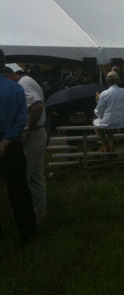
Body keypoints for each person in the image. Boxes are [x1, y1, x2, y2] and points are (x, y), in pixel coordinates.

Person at [0, 50, 37, 243]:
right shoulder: (15, 88)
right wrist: (6, 141)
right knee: (19, 189)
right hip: (12, 143)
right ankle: (28, 233)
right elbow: (22, 117)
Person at [5, 66, 48, 224]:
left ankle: (36, 215)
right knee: (34, 175)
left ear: (9, 75)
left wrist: (29, 131)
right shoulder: (26, 81)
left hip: (33, 134)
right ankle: (35, 213)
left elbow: (37, 106)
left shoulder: (22, 84)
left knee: (31, 176)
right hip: (35, 132)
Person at [93, 71, 124, 154]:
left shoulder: (104, 94)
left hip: (109, 121)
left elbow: (99, 111)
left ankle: (105, 146)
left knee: (96, 125)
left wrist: (96, 112)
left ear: (107, 81)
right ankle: (111, 146)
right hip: (123, 120)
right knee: (110, 129)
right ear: (117, 80)